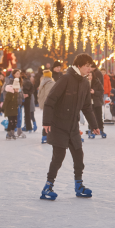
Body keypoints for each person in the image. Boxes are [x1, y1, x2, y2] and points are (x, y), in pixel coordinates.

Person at [41, 53, 100, 200]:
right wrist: (47, 122)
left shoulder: (85, 83)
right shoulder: (66, 79)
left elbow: (87, 107)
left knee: (79, 156)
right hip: (59, 124)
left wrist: (94, 125)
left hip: (72, 126)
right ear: (79, 66)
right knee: (58, 157)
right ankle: (47, 187)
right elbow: (50, 100)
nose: (89, 69)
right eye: (86, 66)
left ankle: (79, 186)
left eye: (90, 66)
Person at [38, 70, 55, 143]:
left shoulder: (42, 82)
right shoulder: (51, 83)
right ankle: (46, 135)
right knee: (51, 119)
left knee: (46, 118)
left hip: (44, 103)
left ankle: (44, 135)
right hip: (50, 104)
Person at [87, 71, 105, 139]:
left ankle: (101, 129)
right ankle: (91, 130)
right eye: (88, 75)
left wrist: (94, 92)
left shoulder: (97, 82)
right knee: (91, 117)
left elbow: (101, 91)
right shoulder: (85, 82)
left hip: (97, 102)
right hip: (89, 103)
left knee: (98, 116)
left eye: (91, 75)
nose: (90, 77)